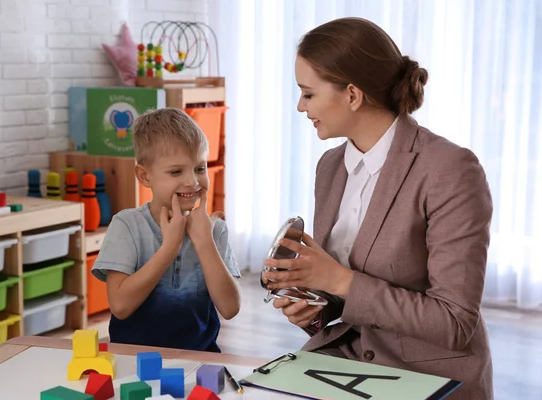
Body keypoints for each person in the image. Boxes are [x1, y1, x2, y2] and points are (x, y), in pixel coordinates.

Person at [262, 17, 493, 399]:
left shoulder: (450, 169)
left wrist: (338, 281)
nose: (300, 106)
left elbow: (454, 322)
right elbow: (350, 290)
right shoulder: (331, 167)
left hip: (430, 376)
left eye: (308, 93)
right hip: (349, 363)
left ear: (352, 95)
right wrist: (315, 305)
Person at [91, 107, 241, 353]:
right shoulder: (127, 225)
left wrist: (204, 242)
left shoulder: (214, 230)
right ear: (144, 176)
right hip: (133, 361)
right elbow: (120, 306)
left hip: (199, 359)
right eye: (175, 171)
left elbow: (230, 309)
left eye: (200, 168)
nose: (192, 181)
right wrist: (169, 247)